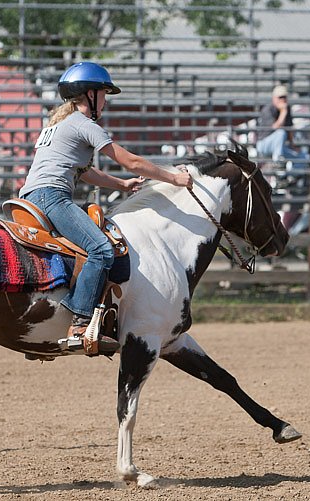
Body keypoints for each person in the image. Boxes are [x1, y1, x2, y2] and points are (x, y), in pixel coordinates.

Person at [19, 62, 193, 350]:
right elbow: (131, 161)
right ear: (89, 95)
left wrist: (121, 185)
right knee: (101, 249)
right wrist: (174, 178)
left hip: (29, 198)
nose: (106, 100)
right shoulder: (83, 124)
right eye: (103, 93)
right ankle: (79, 322)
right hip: (52, 197)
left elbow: (84, 172)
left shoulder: (58, 125)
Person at [255, 85, 307, 163]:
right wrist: (283, 111)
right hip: (264, 144)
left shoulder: (287, 109)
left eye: (284, 97)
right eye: (280, 97)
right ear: (274, 98)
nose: (283, 100)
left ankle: (292, 175)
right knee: (281, 133)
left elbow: (289, 130)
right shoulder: (268, 109)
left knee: (302, 157)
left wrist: (293, 146)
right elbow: (275, 128)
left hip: (279, 147)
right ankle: (277, 163)